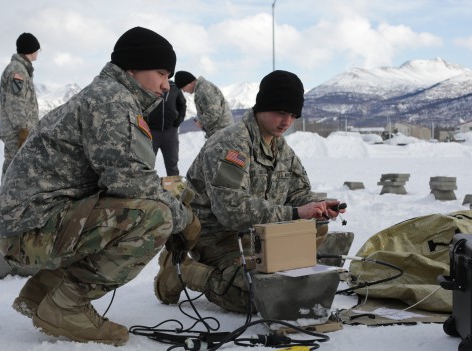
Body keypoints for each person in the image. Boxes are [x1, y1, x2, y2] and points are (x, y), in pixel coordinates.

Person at [0, 27, 200, 346]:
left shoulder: (110, 95)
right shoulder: (111, 99)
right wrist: (185, 220)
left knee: (122, 207)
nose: (166, 84)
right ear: (133, 67)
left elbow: (119, 181)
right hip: (28, 232)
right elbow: (128, 182)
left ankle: (41, 294)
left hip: (29, 224)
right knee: (154, 217)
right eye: (160, 73)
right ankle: (66, 306)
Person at [154, 70, 345, 313]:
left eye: (293, 115)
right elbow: (231, 211)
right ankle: (183, 268)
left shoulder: (280, 148)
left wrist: (318, 206)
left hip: (254, 232)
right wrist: (296, 213)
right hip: (213, 234)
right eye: (280, 112)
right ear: (262, 107)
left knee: (293, 277)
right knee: (254, 296)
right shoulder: (231, 143)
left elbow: (297, 192)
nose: (287, 121)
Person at [0, 32, 41, 178]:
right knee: (13, 170)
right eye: (37, 49)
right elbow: (15, 103)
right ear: (31, 50)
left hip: (23, 131)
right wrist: (23, 129)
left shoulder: (22, 70)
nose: (38, 53)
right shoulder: (17, 71)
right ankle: (5, 201)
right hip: (17, 132)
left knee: (19, 171)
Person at [174, 71, 233, 138]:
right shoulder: (201, 89)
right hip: (219, 132)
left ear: (188, 84)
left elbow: (214, 112)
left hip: (222, 132)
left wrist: (201, 122)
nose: (184, 91)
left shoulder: (204, 89)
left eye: (182, 88)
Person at [146, 79, 187, 176]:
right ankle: (147, 189)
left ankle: (174, 190)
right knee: (146, 164)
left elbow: (182, 105)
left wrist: (178, 121)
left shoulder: (174, 87)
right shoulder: (149, 84)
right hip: (151, 132)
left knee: (172, 163)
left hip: (170, 132)